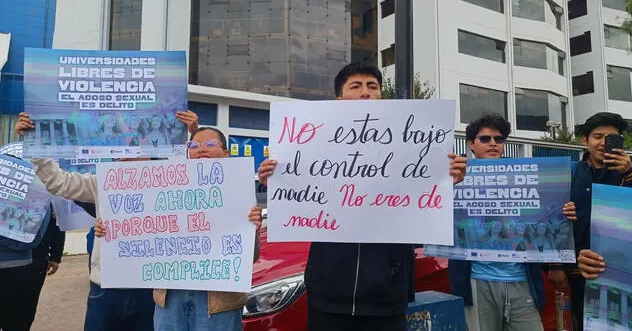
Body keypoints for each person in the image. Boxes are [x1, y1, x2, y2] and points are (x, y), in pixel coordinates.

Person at [257, 62, 468, 331]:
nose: (366, 92)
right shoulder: (313, 145)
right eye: (355, 86)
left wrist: (445, 181)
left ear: (381, 95)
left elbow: (421, 220)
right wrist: (274, 178)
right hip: (327, 294)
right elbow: (298, 204)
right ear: (339, 99)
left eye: (373, 86)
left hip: (386, 296)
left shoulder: (410, 146)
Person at [14, 110, 200, 331]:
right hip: (105, 290)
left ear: (150, 152)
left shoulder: (169, 183)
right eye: (120, 150)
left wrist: (190, 135)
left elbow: (194, 180)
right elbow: (58, 182)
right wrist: (35, 144)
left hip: (149, 290)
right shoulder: (101, 182)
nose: (126, 154)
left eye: (134, 148)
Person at [94, 126, 262, 331]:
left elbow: (250, 257)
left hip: (217, 302)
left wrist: (251, 229)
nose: (201, 149)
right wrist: (110, 230)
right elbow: (138, 230)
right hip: (170, 297)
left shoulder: (240, 192)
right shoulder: (164, 186)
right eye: (194, 145)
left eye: (210, 144)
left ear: (226, 153)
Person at [447, 113, 577, 331]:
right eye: (485, 139)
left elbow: (546, 224)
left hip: (521, 279)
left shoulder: (527, 178)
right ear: (471, 144)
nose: (493, 144)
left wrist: (564, 213)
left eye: (499, 139)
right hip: (477, 280)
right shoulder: (454, 177)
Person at [548, 112, 632, 330]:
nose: (603, 143)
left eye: (611, 138)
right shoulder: (568, 173)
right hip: (579, 269)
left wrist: (630, 173)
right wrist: (554, 264)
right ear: (584, 140)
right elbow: (550, 219)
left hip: (625, 269)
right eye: (598, 136)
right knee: (583, 321)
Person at [0, 200, 51, 331]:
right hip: (18, 268)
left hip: (17, 271)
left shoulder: (37, 195)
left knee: (16, 322)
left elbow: (32, 239)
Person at [25, 204, 66, 328]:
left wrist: (55, 256)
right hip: (11, 259)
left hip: (35, 259)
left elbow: (57, 222)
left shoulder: (47, 192)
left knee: (26, 309)